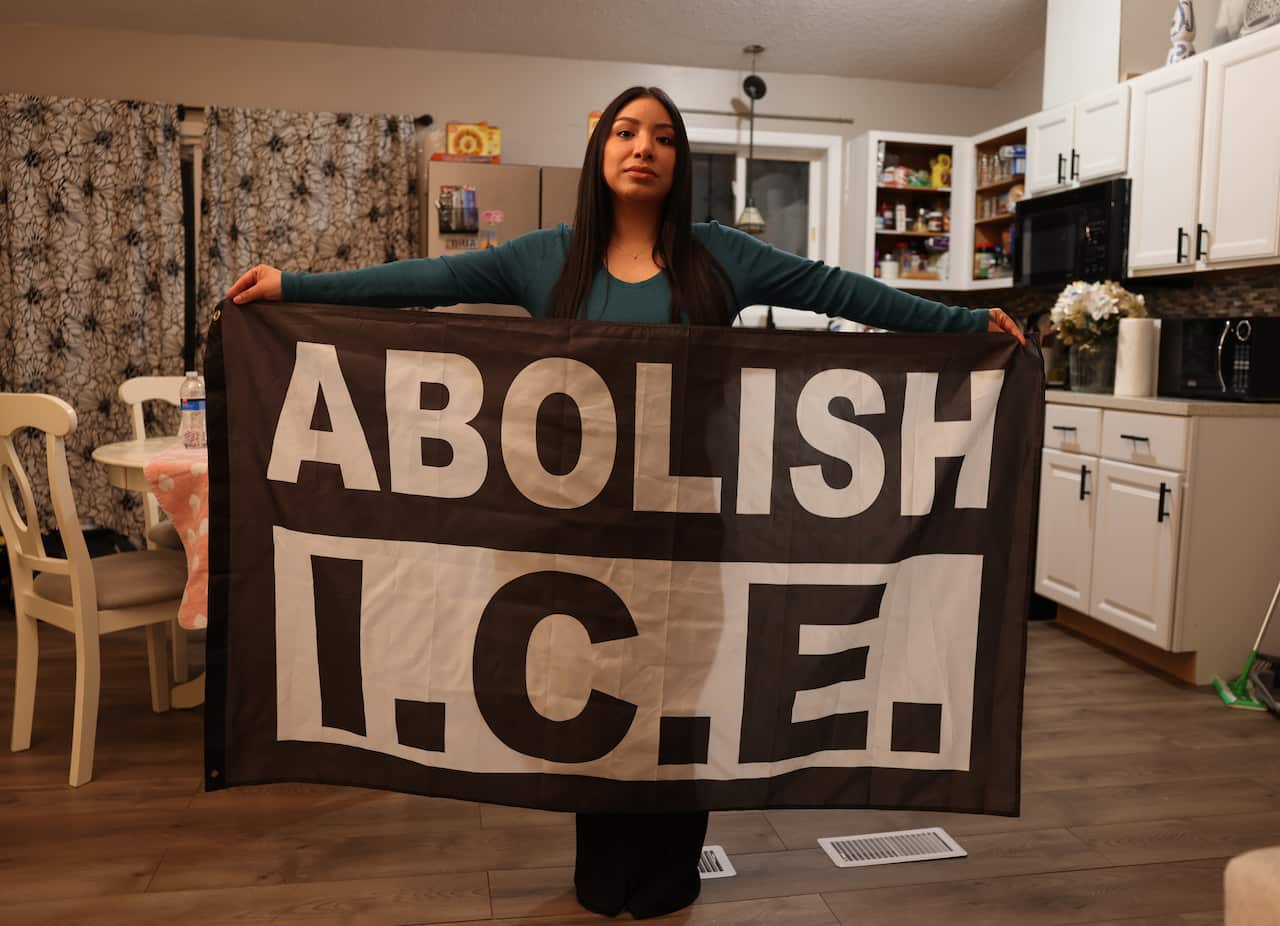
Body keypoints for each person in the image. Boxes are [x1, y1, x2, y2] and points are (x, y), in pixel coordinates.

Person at [228, 85, 1026, 920]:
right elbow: (425, 279)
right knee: (589, 697)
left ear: (680, 162)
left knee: (680, 697)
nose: (643, 147)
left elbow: (840, 292)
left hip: (693, 528)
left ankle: (672, 874)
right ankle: (603, 870)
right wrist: (296, 285)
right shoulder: (545, 257)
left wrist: (960, 324)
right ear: (601, 151)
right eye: (625, 132)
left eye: (663, 138)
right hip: (569, 531)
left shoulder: (723, 254)